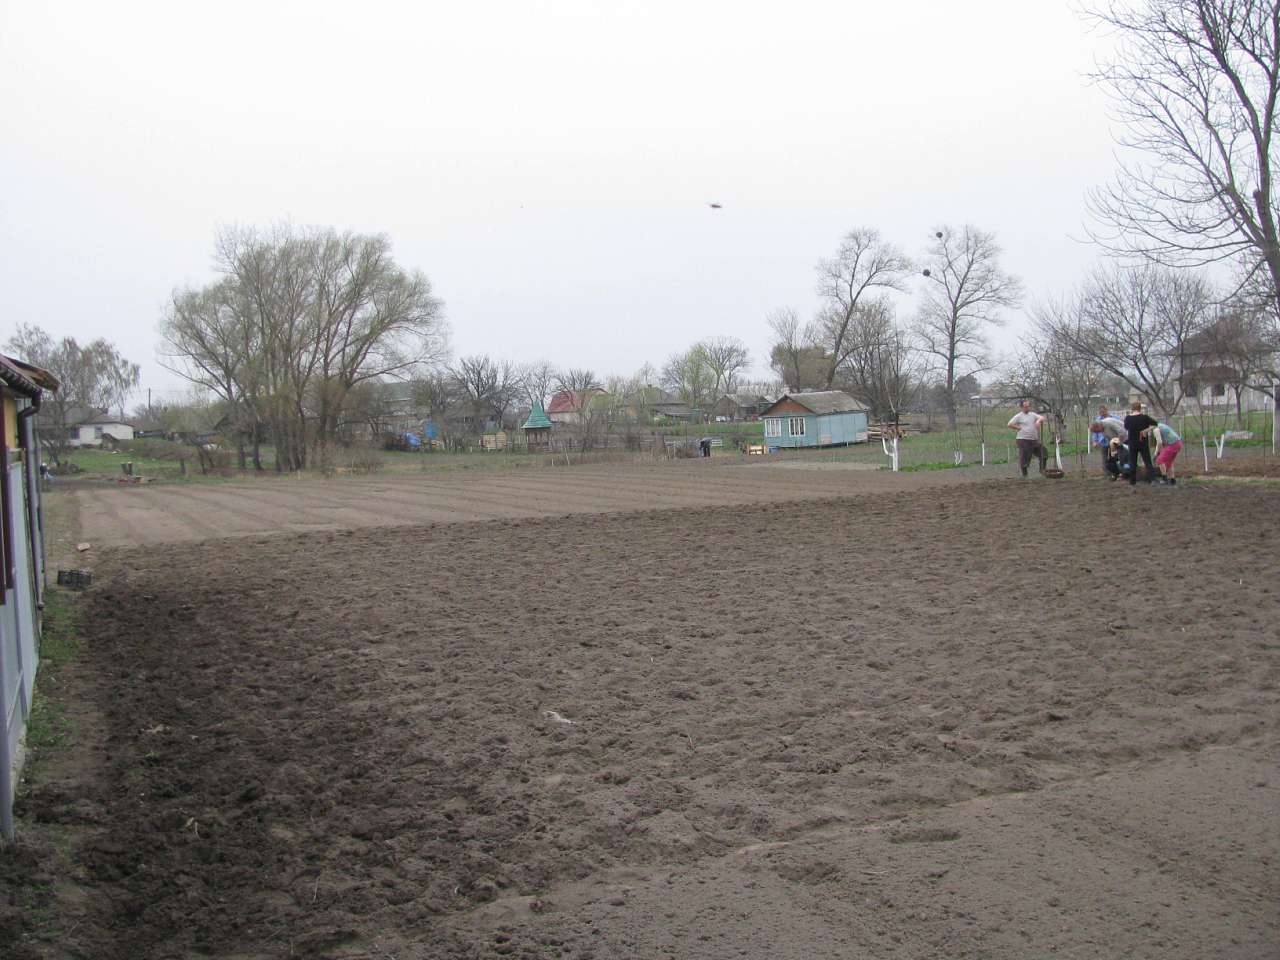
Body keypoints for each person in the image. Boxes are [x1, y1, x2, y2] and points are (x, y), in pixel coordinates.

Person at [1007, 400, 1047, 478]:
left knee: (1043, 453)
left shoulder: (1032, 414)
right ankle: (1025, 475)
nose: (1027, 408)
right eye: (1025, 407)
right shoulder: (1019, 416)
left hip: (1034, 440)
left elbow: (1042, 417)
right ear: (1021, 407)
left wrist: (1038, 421)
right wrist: (1018, 428)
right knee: (1025, 456)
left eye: (1028, 406)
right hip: (1023, 440)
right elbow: (1009, 424)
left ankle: (1042, 470)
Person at [1122, 401, 1158, 487]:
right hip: (1143, 442)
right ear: (1140, 408)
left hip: (1132, 442)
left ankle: (1132, 482)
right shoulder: (1144, 417)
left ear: (1132, 408)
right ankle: (1152, 480)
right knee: (1147, 461)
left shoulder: (1128, 418)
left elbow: (1126, 427)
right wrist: (1145, 430)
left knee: (1132, 462)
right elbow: (1155, 424)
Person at [1150, 420, 1183, 485]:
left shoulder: (1156, 429)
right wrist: (1156, 453)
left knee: (1159, 460)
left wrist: (1157, 455)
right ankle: (1172, 480)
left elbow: (1159, 442)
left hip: (1172, 444)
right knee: (1169, 462)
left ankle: (1164, 479)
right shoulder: (1161, 425)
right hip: (1178, 443)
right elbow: (1159, 442)